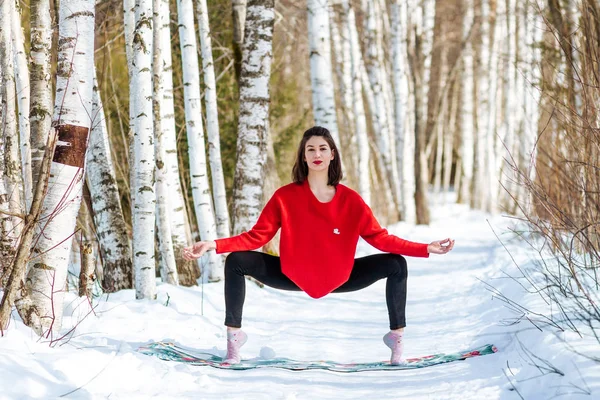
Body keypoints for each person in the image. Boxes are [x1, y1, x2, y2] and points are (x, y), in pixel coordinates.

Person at [182, 126, 455, 365]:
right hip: (290, 274)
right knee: (237, 261)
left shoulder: (350, 200)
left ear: (332, 154)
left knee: (396, 264)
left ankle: (396, 342)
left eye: (323, 148)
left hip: (342, 277)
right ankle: (234, 341)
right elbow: (258, 236)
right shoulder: (285, 197)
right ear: (303, 156)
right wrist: (213, 244)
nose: (317, 153)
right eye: (310, 149)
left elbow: (380, 238)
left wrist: (424, 247)